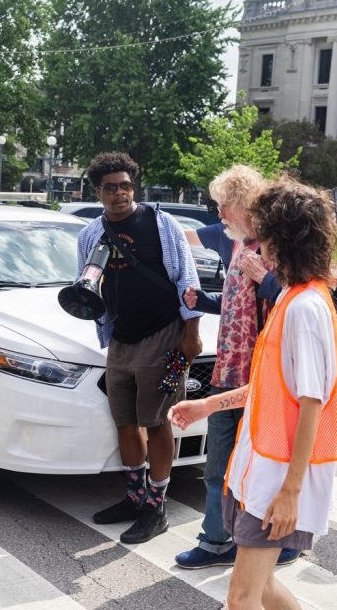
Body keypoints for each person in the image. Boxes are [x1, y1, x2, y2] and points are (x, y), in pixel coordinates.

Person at [169, 178, 337, 610]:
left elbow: (313, 403)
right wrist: (208, 403)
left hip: (278, 479)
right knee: (262, 589)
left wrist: (291, 491)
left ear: (282, 241)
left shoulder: (306, 308)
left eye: (266, 234)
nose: (259, 245)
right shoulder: (293, 299)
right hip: (259, 469)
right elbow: (273, 387)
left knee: (241, 597)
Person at [174, 165, 299, 569]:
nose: (218, 213)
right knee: (219, 465)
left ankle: (283, 542)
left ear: (243, 204)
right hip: (228, 375)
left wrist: (264, 277)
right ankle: (215, 541)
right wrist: (204, 302)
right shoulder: (233, 243)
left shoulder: (277, 249)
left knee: (265, 466)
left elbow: (298, 307)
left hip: (264, 381)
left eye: (223, 205)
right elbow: (234, 305)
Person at [75, 152, 203, 544]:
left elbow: (188, 279)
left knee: (157, 421)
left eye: (126, 186)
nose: (120, 194)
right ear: (98, 191)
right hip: (121, 340)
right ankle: (134, 497)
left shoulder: (160, 224)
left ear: (135, 186)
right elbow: (86, 285)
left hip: (165, 337)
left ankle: (156, 506)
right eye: (111, 188)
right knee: (125, 422)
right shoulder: (89, 235)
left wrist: (191, 335)